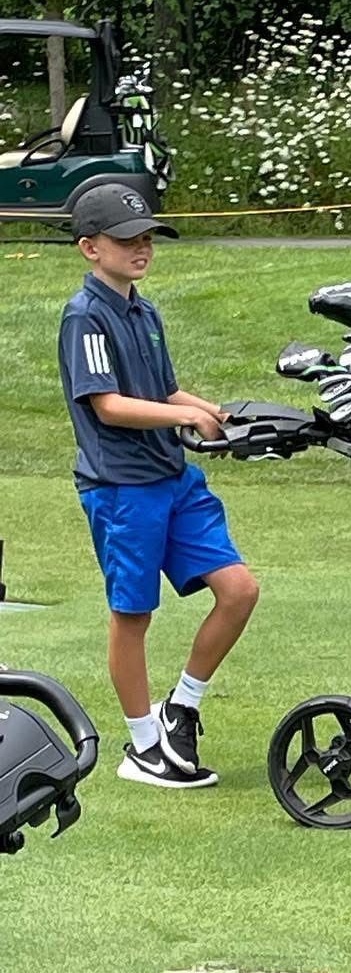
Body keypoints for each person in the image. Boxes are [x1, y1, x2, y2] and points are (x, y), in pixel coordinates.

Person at [58, 183, 258, 788]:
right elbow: (110, 405)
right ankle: (144, 746)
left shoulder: (144, 311)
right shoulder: (84, 315)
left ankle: (183, 708)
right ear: (89, 248)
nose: (140, 247)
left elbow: (163, 391)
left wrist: (216, 411)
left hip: (173, 478)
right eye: (126, 239)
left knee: (239, 590)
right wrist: (184, 418)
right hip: (122, 489)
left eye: (146, 237)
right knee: (133, 616)